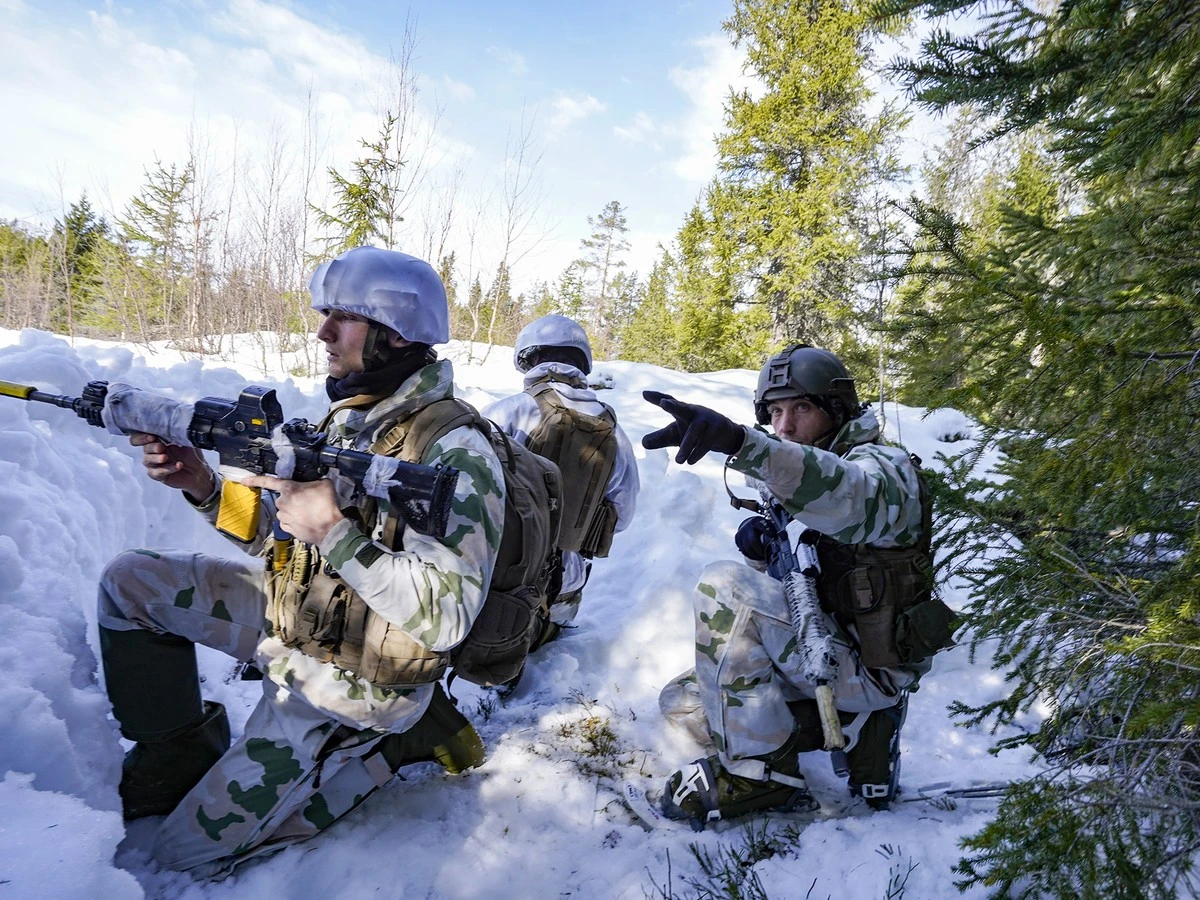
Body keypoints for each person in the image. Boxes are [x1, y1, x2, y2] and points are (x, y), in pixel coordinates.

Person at [97, 246, 504, 878]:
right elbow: (275, 538)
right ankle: (177, 758)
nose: (322, 333)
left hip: (365, 679)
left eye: (343, 317)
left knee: (181, 858)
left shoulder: (456, 449)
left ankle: (389, 750)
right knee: (130, 583)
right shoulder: (352, 417)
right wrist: (203, 484)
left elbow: (447, 617)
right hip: (301, 617)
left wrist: (337, 534)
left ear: (394, 335)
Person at [643, 344, 948, 828]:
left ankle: (761, 777)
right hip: (821, 646)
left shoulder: (884, 468)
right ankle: (857, 728)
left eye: (801, 408)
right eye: (775, 412)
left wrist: (745, 444)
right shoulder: (809, 466)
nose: (784, 426)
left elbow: (846, 495)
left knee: (724, 586)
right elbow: (803, 585)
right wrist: (763, 552)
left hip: (869, 666)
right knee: (686, 702)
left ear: (837, 410)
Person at [483, 314, 639, 647]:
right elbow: (623, 516)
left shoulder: (508, 412)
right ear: (580, 365)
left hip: (498, 580)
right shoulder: (613, 429)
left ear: (530, 360)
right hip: (565, 584)